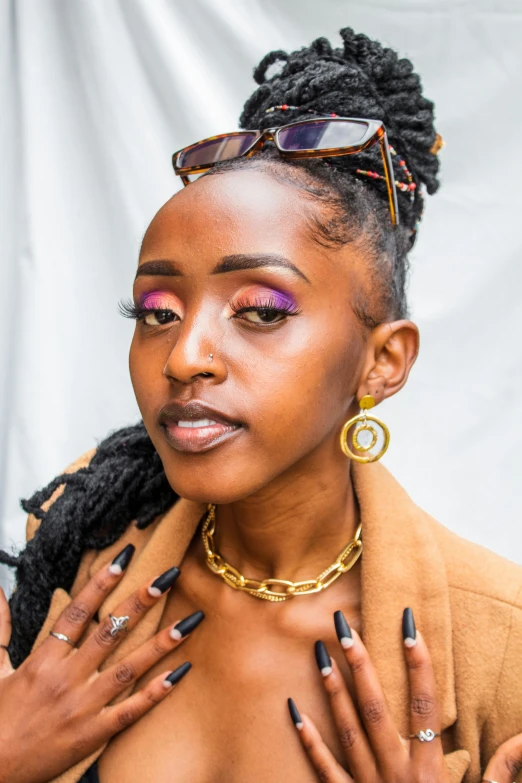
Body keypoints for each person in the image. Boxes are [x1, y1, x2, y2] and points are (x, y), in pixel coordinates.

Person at [1, 26, 521, 783]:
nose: (183, 356)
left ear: (382, 361)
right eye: (156, 310)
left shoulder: (500, 644)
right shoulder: (78, 550)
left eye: (261, 310)